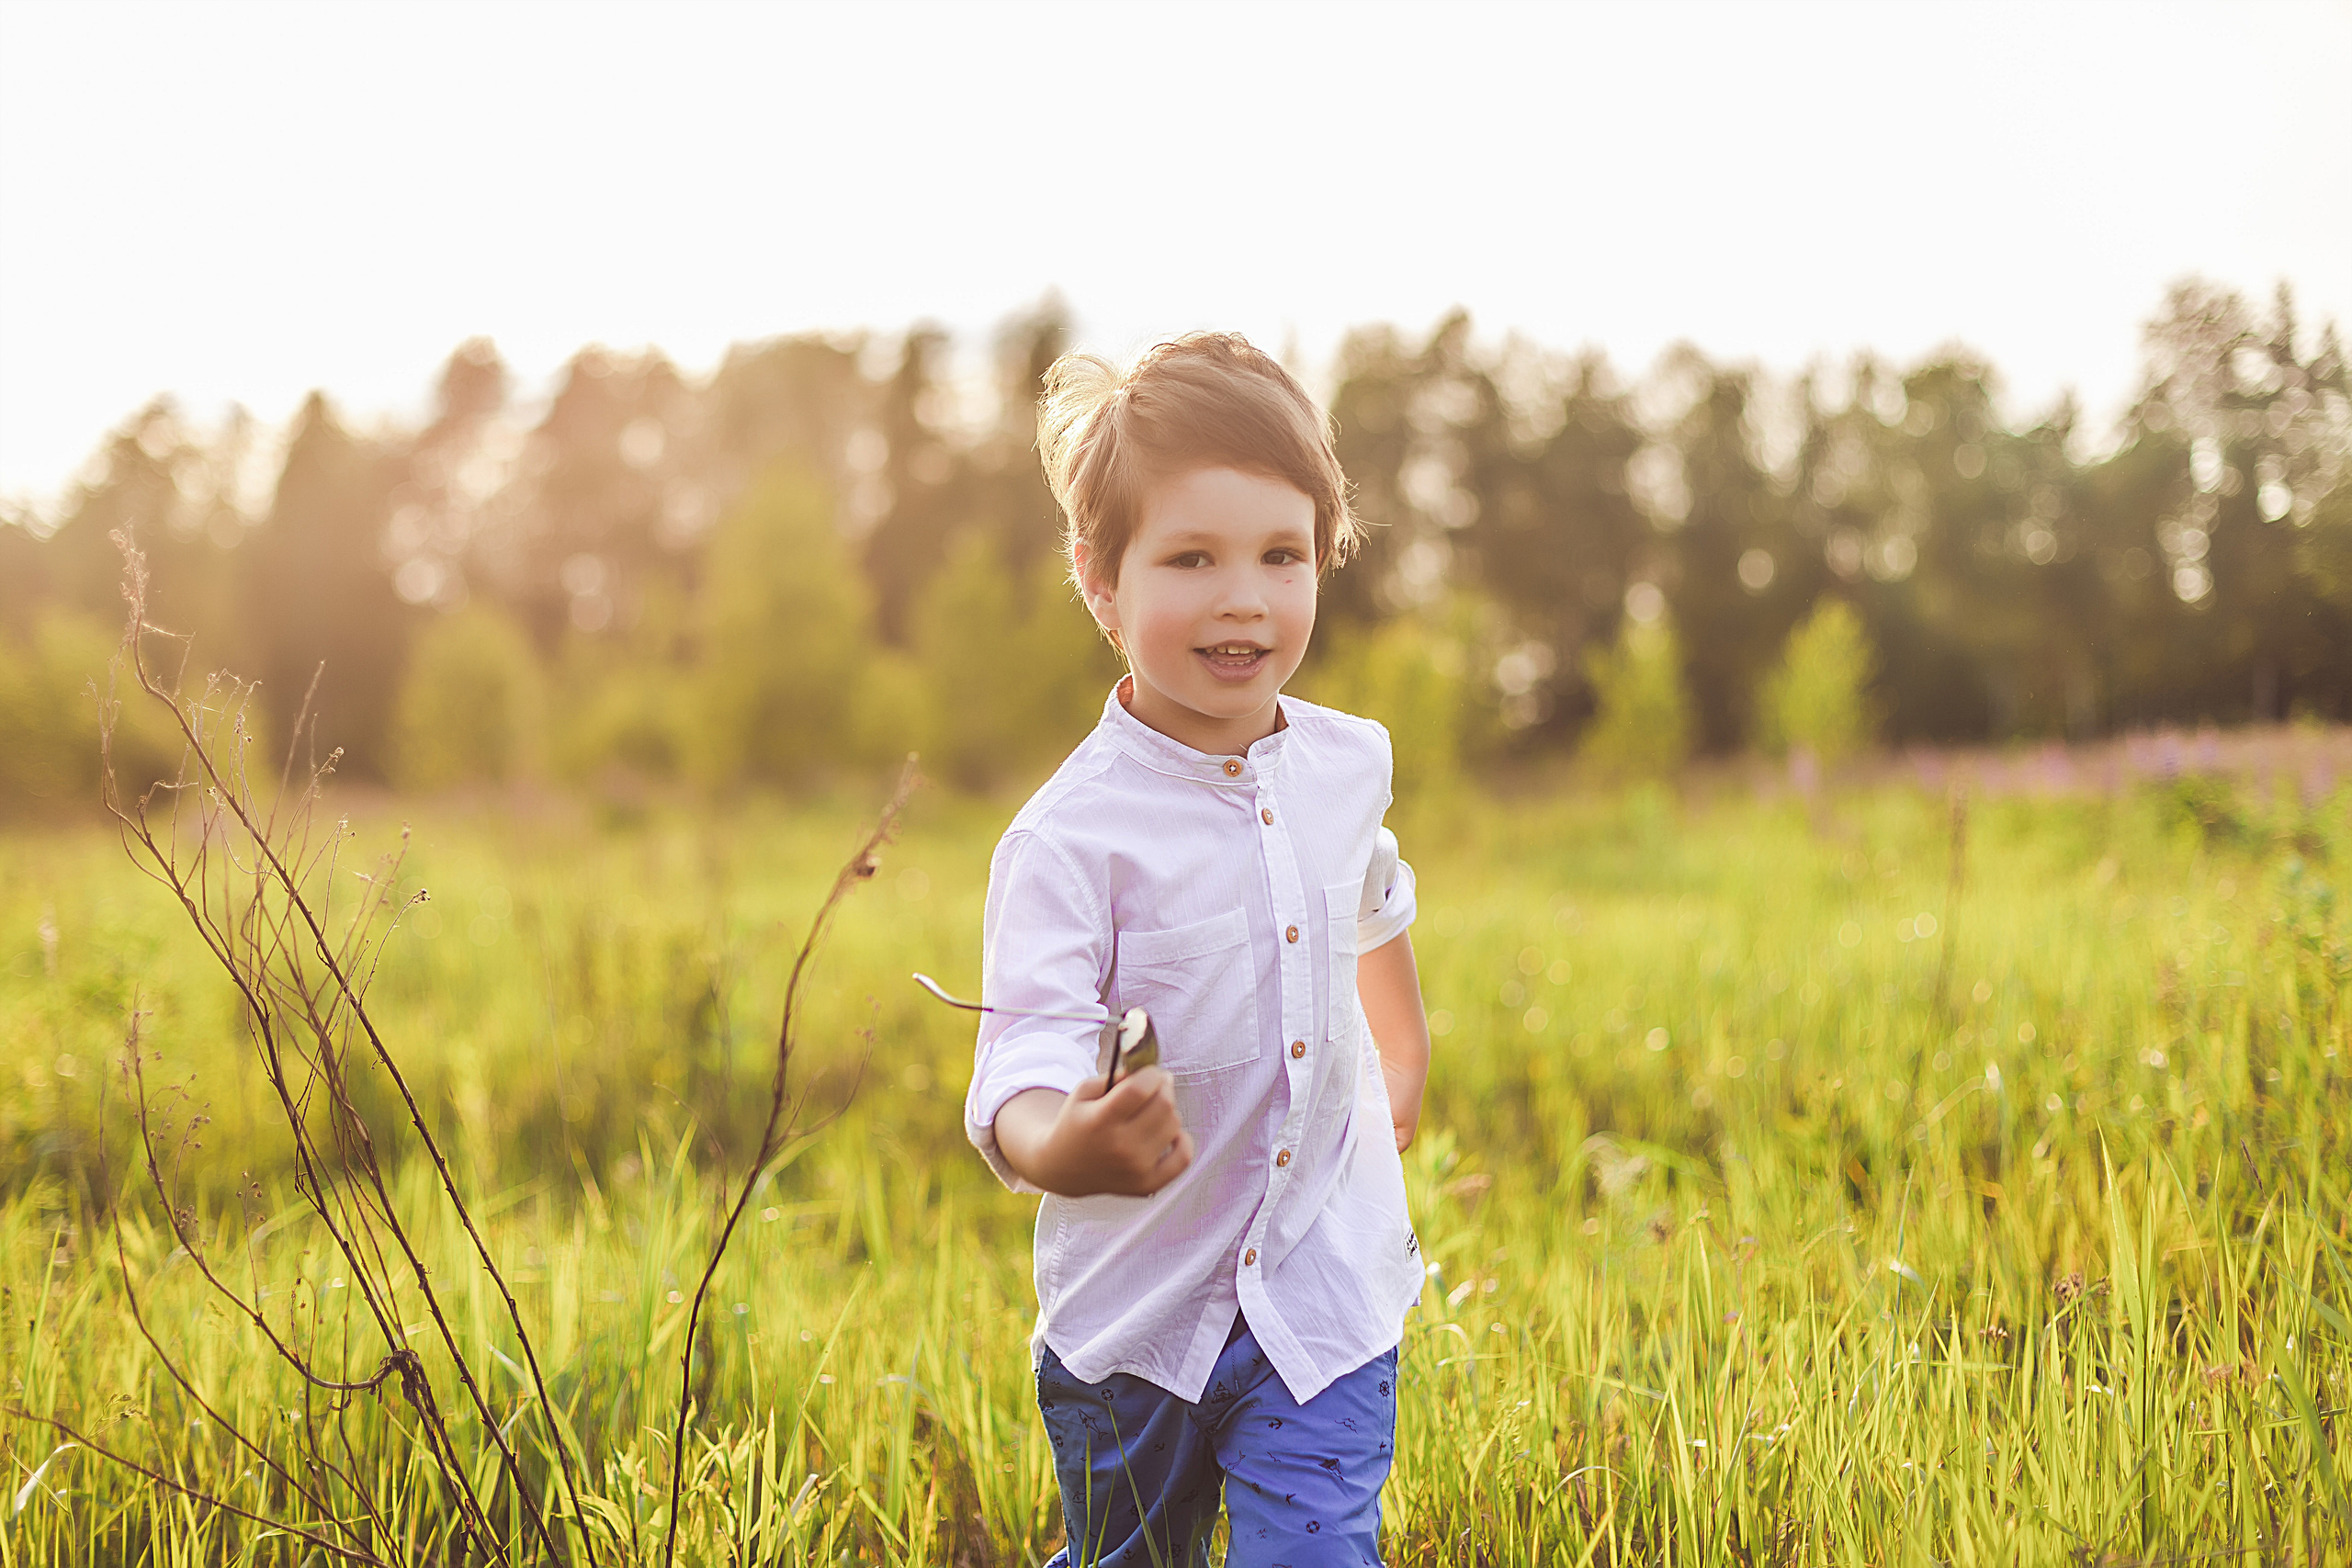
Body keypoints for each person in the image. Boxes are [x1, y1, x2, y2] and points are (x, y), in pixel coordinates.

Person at [962, 333, 1432, 1567]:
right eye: (1191, 559)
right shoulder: (1070, 841)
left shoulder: (1350, 763)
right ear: (1100, 582)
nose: (1244, 597)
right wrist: (1064, 1142)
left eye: (1282, 554)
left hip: (1322, 1298)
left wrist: (1404, 1055)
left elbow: (1372, 897)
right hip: (1137, 1319)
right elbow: (1024, 1053)